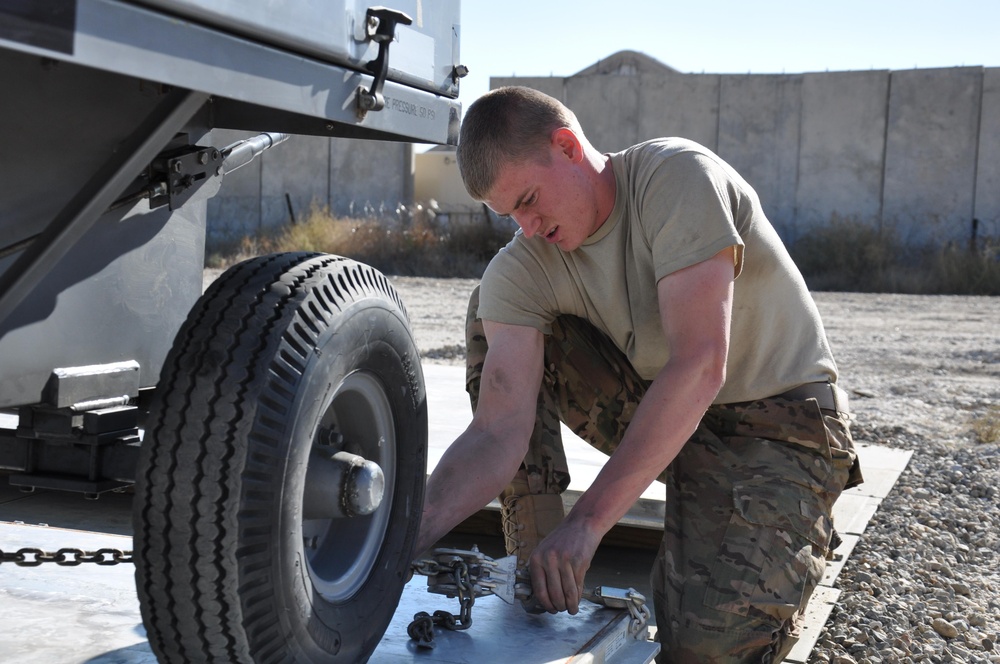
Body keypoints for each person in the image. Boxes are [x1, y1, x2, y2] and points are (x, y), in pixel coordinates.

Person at [414, 86, 863, 662]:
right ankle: (539, 569)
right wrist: (406, 536)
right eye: (510, 215)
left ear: (568, 147)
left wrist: (590, 521)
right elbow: (497, 430)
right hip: (672, 421)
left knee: (703, 649)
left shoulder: (675, 178)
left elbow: (701, 363)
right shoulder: (528, 263)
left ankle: (790, 533)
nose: (527, 227)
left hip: (780, 429)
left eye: (529, 200)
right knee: (492, 307)